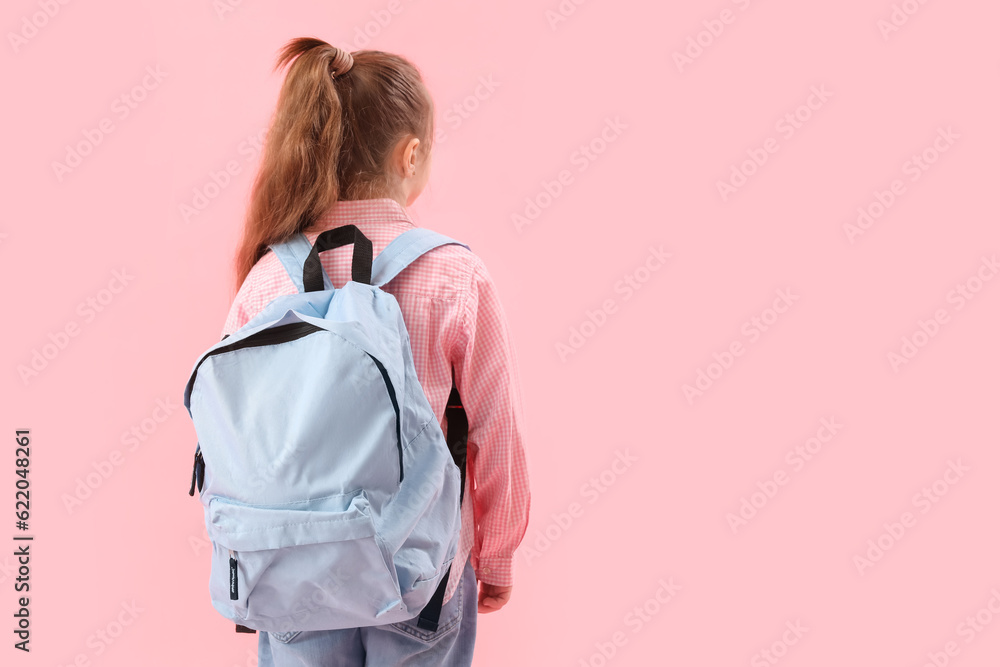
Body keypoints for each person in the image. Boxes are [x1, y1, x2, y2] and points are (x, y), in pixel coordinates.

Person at [217, 37, 530, 666]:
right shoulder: (453, 275)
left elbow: (229, 435)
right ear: (410, 153)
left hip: (291, 571)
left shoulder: (267, 278)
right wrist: (495, 554)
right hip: (422, 573)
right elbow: (495, 435)